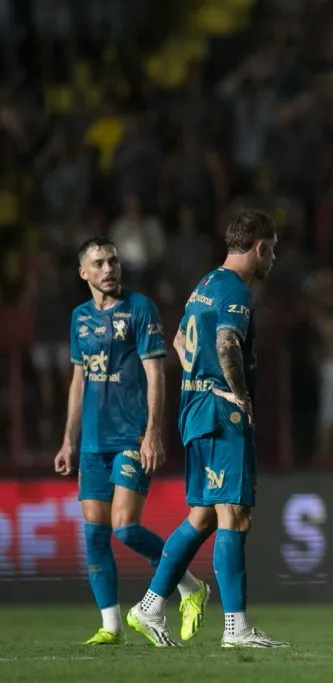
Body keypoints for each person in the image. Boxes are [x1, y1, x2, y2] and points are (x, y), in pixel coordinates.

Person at [126, 209, 287, 648]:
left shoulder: (205, 284)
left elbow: (180, 341)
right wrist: (236, 392)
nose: (273, 259)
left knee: (202, 516)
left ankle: (149, 606)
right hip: (220, 414)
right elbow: (225, 342)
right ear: (258, 247)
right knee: (234, 513)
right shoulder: (236, 291)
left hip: (195, 410)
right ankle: (237, 628)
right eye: (271, 250)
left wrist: (200, 379)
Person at [56, 238, 207, 645]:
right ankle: (112, 626)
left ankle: (191, 586)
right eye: (99, 263)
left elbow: (156, 373)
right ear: (83, 273)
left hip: (131, 435)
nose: (109, 268)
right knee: (94, 534)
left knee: (124, 527)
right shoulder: (79, 318)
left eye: (113, 261)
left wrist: (153, 432)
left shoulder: (140, 309)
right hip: (92, 443)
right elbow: (78, 380)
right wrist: (69, 441)